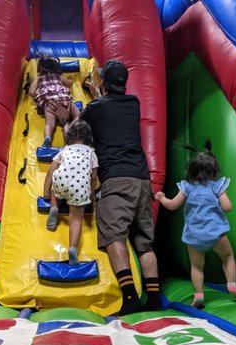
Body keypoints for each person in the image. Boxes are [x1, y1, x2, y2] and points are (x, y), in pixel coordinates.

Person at [59, 59, 160, 316]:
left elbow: (76, 129)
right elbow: (110, 108)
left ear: (103, 82)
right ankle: (155, 299)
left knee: (114, 236)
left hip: (116, 179)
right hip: (142, 179)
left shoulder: (94, 108)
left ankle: (129, 300)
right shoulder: (134, 103)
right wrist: (98, 93)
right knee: (144, 243)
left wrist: (64, 121)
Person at [155, 141, 236, 308]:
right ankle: (232, 285)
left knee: (196, 265)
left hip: (194, 235)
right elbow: (227, 207)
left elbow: (172, 205)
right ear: (214, 170)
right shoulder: (217, 187)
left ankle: (198, 295)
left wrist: (161, 198)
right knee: (227, 257)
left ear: (192, 170)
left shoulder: (187, 188)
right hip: (216, 233)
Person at [43, 120, 98, 265]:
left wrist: (46, 193)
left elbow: (50, 172)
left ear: (69, 137)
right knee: (76, 220)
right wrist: (91, 196)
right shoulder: (92, 153)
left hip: (62, 181)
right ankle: (73, 248)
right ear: (89, 139)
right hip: (79, 188)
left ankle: (54, 207)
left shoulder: (65, 150)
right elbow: (93, 178)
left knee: (57, 189)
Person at [29, 55, 80, 147]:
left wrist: (39, 98)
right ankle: (72, 131)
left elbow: (31, 92)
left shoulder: (39, 79)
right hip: (64, 99)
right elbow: (69, 84)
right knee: (78, 116)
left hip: (50, 103)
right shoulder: (58, 76)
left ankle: (47, 139)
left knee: (49, 124)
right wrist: (69, 80)